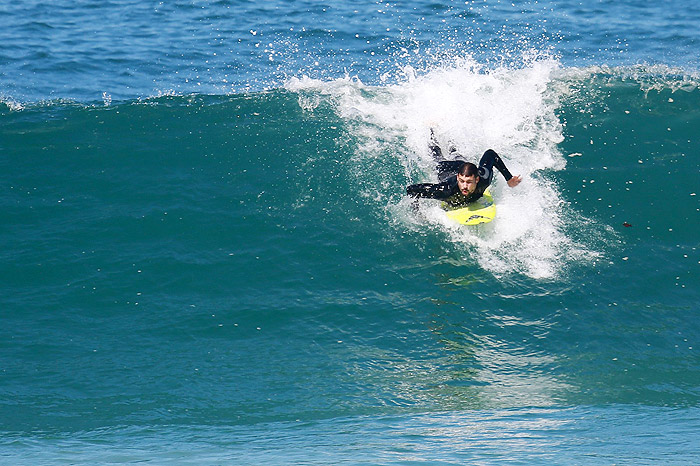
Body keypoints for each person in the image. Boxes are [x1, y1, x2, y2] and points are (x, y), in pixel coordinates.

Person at [406, 134, 522, 209]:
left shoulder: (484, 178)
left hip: (462, 164)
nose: (464, 186)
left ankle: (449, 135)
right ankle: (432, 131)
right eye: (462, 181)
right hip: (445, 169)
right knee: (437, 156)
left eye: (469, 182)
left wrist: (509, 179)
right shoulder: (445, 191)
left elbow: (490, 154)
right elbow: (411, 190)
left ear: (477, 179)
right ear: (458, 178)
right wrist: (417, 213)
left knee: (455, 153)